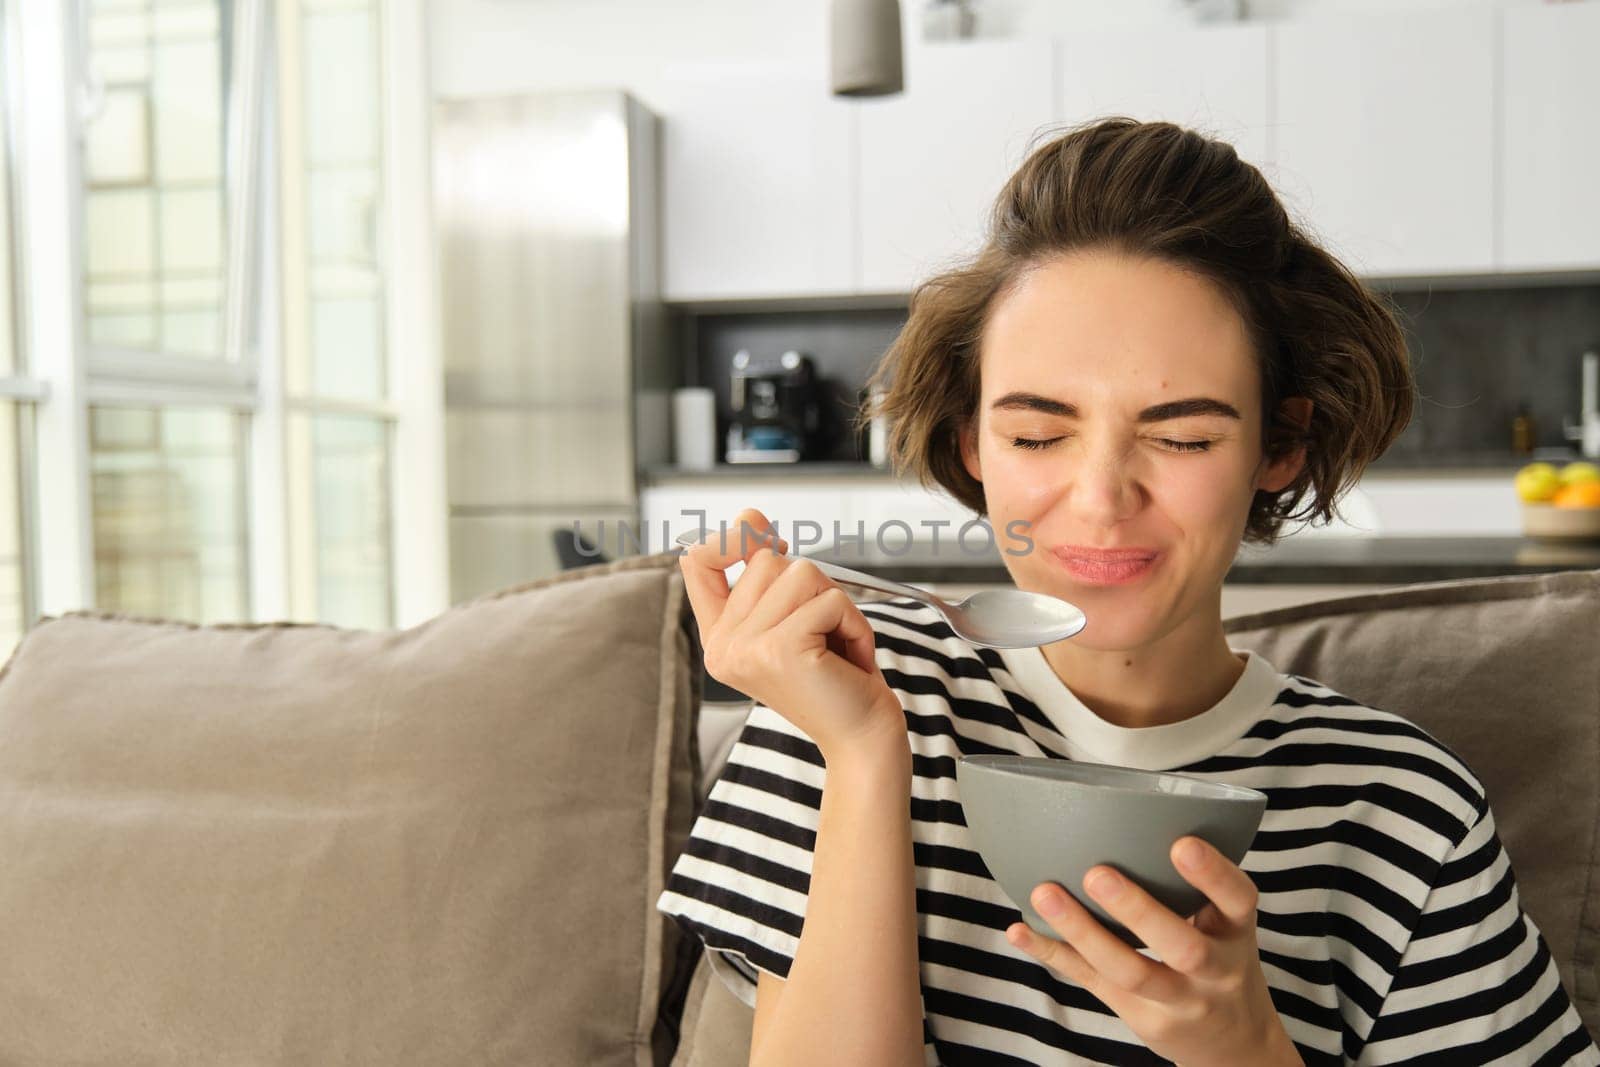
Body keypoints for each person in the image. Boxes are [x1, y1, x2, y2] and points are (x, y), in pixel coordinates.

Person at [655, 117, 1600, 1066]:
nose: (1102, 501)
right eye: (1035, 436)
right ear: (970, 445)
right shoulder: (842, 699)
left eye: (1182, 437)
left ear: (1279, 446)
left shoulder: (1400, 808)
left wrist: (1247, 1050)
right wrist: (864, 759)